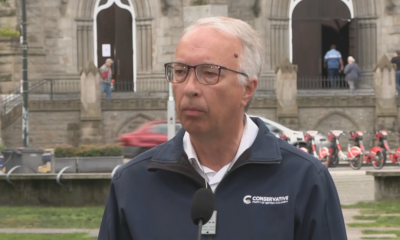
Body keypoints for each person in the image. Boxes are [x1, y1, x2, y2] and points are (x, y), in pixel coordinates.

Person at [98, 17, 347, 240]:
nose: (189, 88)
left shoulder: (304, 180)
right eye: (181, 71)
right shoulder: (131, 183)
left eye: (209, 73)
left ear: (247, 89)